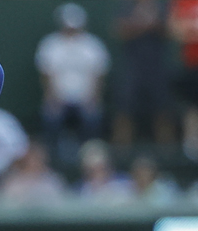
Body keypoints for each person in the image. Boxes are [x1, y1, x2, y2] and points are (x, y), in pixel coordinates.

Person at [36, 4, 110, 160]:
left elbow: (98, 75)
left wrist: (94, 98)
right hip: (59, 99)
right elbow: (46, 75)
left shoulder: (92, 46)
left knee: (92, 117)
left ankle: (89, 154)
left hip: (85, 99)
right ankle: (53, 156)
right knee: (51, 116)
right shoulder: (51, 45)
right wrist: (52, 98)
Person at [114, 0, 174, 145]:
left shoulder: (162, 6)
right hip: (132, 66)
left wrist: (150, 24)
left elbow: (171, 30)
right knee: (125, 108)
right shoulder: (127, 6)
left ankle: (166, 146)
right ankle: (122, 146)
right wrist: (144, 25)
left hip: (156, 65)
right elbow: (120, 31)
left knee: (163, 109)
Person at [0, 143, 69, 206]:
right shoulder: (14, 182)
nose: (34, 161)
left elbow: (60, 204)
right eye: (32, 158)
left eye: (37, 157)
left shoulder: (53, 181)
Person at [171, 0, 198, 157]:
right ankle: (191, 142)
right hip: (190, 62)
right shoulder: (182, 2)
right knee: (192, 104)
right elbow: (174, 29)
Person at [77, 139, 135, 204]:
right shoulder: (79, 190)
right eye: (91, 171)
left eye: (100, 169)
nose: (96, 175)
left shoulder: (125, 185)